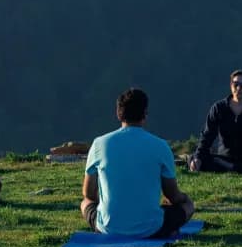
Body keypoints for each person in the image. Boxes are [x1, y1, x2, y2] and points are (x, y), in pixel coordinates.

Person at [81, 87, 195, 238]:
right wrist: (184, 198)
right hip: (151, 228)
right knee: (187, 206)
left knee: (85, 203)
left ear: (118, 113)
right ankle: (166, 229)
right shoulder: (160, 146)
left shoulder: (99, 144)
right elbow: (172, 195)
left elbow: (88, 194)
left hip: (108, 227)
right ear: (145, 113)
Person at [190, 69, 242, 173]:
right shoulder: (219, 108)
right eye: (235, 84)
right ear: (231, 85)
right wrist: (198, 157)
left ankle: (231, 167)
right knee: (196, 159)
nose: (239, 88)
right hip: (224, 157)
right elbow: (207, 135)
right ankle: (234, 167)